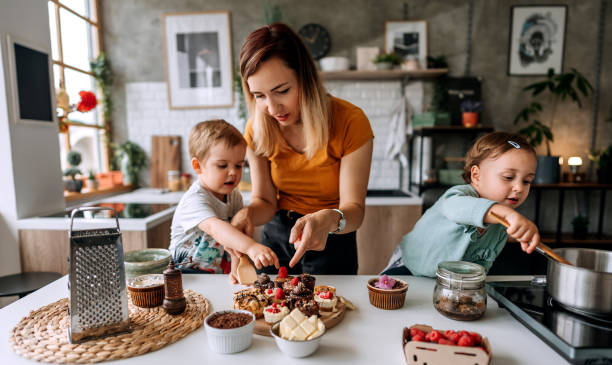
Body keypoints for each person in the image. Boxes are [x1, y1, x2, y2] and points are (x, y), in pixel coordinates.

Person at [230, 23, 374, 275]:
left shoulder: (351, 121)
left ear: (305, 78)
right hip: (276, 242)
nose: (272, 109)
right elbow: (265, 201)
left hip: (332, 238)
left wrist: (327, 219)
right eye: (259, 96)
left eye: (282, 91)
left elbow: (355, 211)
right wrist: (247, 215)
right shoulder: (257, 128)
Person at [385, 132, 540, 277]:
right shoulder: (459, 196)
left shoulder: (501, 226)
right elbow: (457, 209)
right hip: (407, 269)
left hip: (442, 283)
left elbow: (482, 264)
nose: (519, 188)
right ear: (476, 175)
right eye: (508, 177)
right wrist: (509, 215)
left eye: (527, 181)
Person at [169, 119, 279, 281]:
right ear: (197, 166)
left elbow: (235, 234)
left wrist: (235, 270)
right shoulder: (194, 199)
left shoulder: (234, 196)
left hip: (216, 274)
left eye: (239, 165)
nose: (233, 172)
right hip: (185, 274)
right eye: (222, 165)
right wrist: (251, 247)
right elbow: (215, 228)